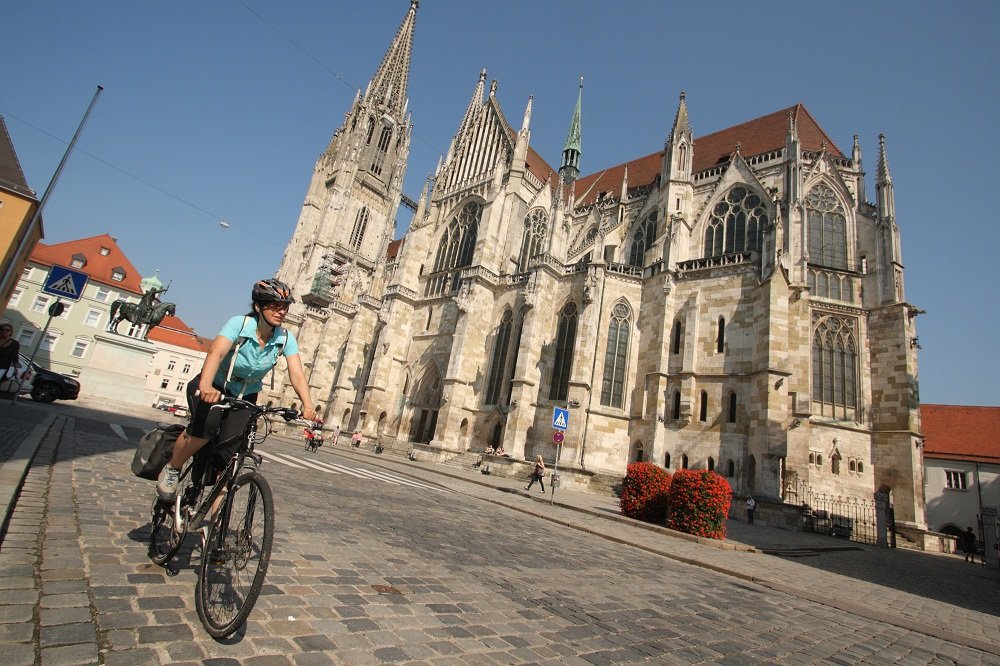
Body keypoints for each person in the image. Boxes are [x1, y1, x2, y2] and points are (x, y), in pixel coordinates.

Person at [156, 279, 318, 500]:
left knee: (229, 454)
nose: (282, 311)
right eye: (275, 305)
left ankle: (212, 526)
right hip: (214, 385)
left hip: (245, 394)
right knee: (206, 429)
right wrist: (205, 386)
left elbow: (297, 374)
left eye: (285, 307)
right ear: (258, 307)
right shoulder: (240, 325)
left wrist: (307, 405)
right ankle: (173, 469)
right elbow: (216, 353)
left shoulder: (285, 338)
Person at [0, 323, 21, 396]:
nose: (4, 331)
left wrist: (16, 369)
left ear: (11, 332)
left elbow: (15, 357)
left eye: (7, 330)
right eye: (2, 330)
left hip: (2, 367)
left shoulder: (14, 344)